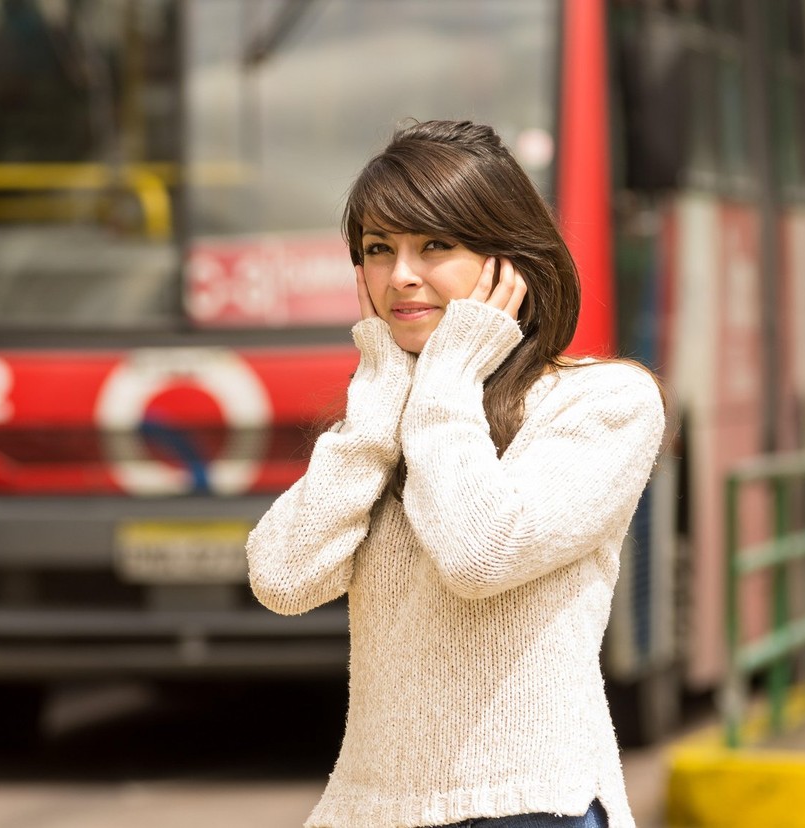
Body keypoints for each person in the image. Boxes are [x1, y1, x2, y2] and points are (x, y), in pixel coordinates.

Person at [246, 119, 665, 828]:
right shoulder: (385, 419)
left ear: (508, 262)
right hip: (368, 811)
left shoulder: (604, 402)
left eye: (435, 244)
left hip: (531, 807)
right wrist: (380, 400)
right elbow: (284, 578)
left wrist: (444, 381)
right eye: (379, 250)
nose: (401, 274)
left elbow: (481, 553)